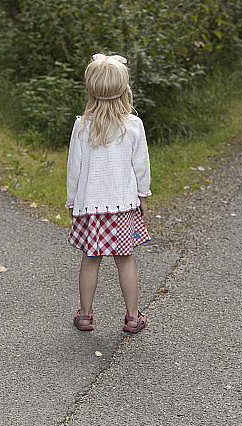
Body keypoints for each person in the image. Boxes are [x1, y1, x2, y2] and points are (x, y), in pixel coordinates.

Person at [66, 53, 151, 333]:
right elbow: (141, 167)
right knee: (125, 260)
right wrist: (143, 196)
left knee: (90, 260)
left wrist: (71, 202)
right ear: (125, 89)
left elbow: (74, 170)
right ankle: (131, 317)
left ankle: (86, 315)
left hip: (91, 208)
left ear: (90, 90)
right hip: (123, 206)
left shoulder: (82, 126)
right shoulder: (132, 126)